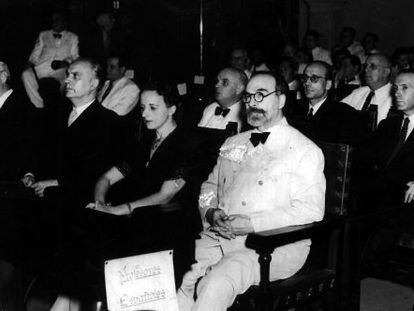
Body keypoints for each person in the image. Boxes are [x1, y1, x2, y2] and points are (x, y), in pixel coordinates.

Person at [177, 72, 325, 311]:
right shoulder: (233, 142)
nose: (252, 103)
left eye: (260, 95)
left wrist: (252, 223)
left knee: (216, 283)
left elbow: (310, 211)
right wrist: (211, 212)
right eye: (247, 97)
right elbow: (209, 187)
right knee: (175, 270)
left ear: (281, 100)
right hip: (220, 236)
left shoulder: (305, 150)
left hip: (273, 246)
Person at [286, 61, 356, 144]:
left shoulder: (344, 114)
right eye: (305, 78)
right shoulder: (293, 108)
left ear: (328, 84)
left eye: (314, 78)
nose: (307, 83)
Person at [21, 13, 79, 108]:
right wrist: (30, 62)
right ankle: (38, 104)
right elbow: (36, 52)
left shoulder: (73, 37)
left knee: (66, 79)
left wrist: (67, 61)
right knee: (25, 74)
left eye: (57, 20)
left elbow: (75, 56)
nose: (54, 22)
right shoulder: (43, 34)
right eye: (53, 20)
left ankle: (59, 105)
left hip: (60, 69)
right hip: (41, 68)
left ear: (64, 23)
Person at [341, 53, 393, 127]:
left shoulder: (395, 97)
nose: (366, 70)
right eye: (366, 66)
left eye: (372, 66)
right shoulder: (359, 92)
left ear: (385, 72)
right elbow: (338, 111)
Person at [198, 68, 247, 133]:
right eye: (217, 81)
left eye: (225, 82)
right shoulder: (210, 108)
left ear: (239, 89)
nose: (217, 85)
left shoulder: (244, 116)